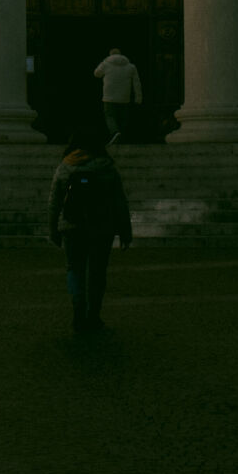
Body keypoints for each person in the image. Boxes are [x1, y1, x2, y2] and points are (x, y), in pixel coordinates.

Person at [50, 134, 132, 334]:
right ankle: (93, 315)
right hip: (101, 227)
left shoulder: (65, 167)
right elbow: (119, 201)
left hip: (71, 226)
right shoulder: (107, 167)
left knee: (74, 270)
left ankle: (78, 313)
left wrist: (53, 227)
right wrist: (125, 230)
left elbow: (54, 201)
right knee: (97, 272)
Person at [94, 45, 142, 145]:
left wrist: (103, 62)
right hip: (124, 97)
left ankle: (115, 132)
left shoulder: (106, 63)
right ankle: (122, 136)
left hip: (109, 96)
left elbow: (96, 74)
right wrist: (138, 98)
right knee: (123, 117)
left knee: (110, 116)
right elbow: (137, 83)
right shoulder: (131, 66)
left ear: (110, 55)